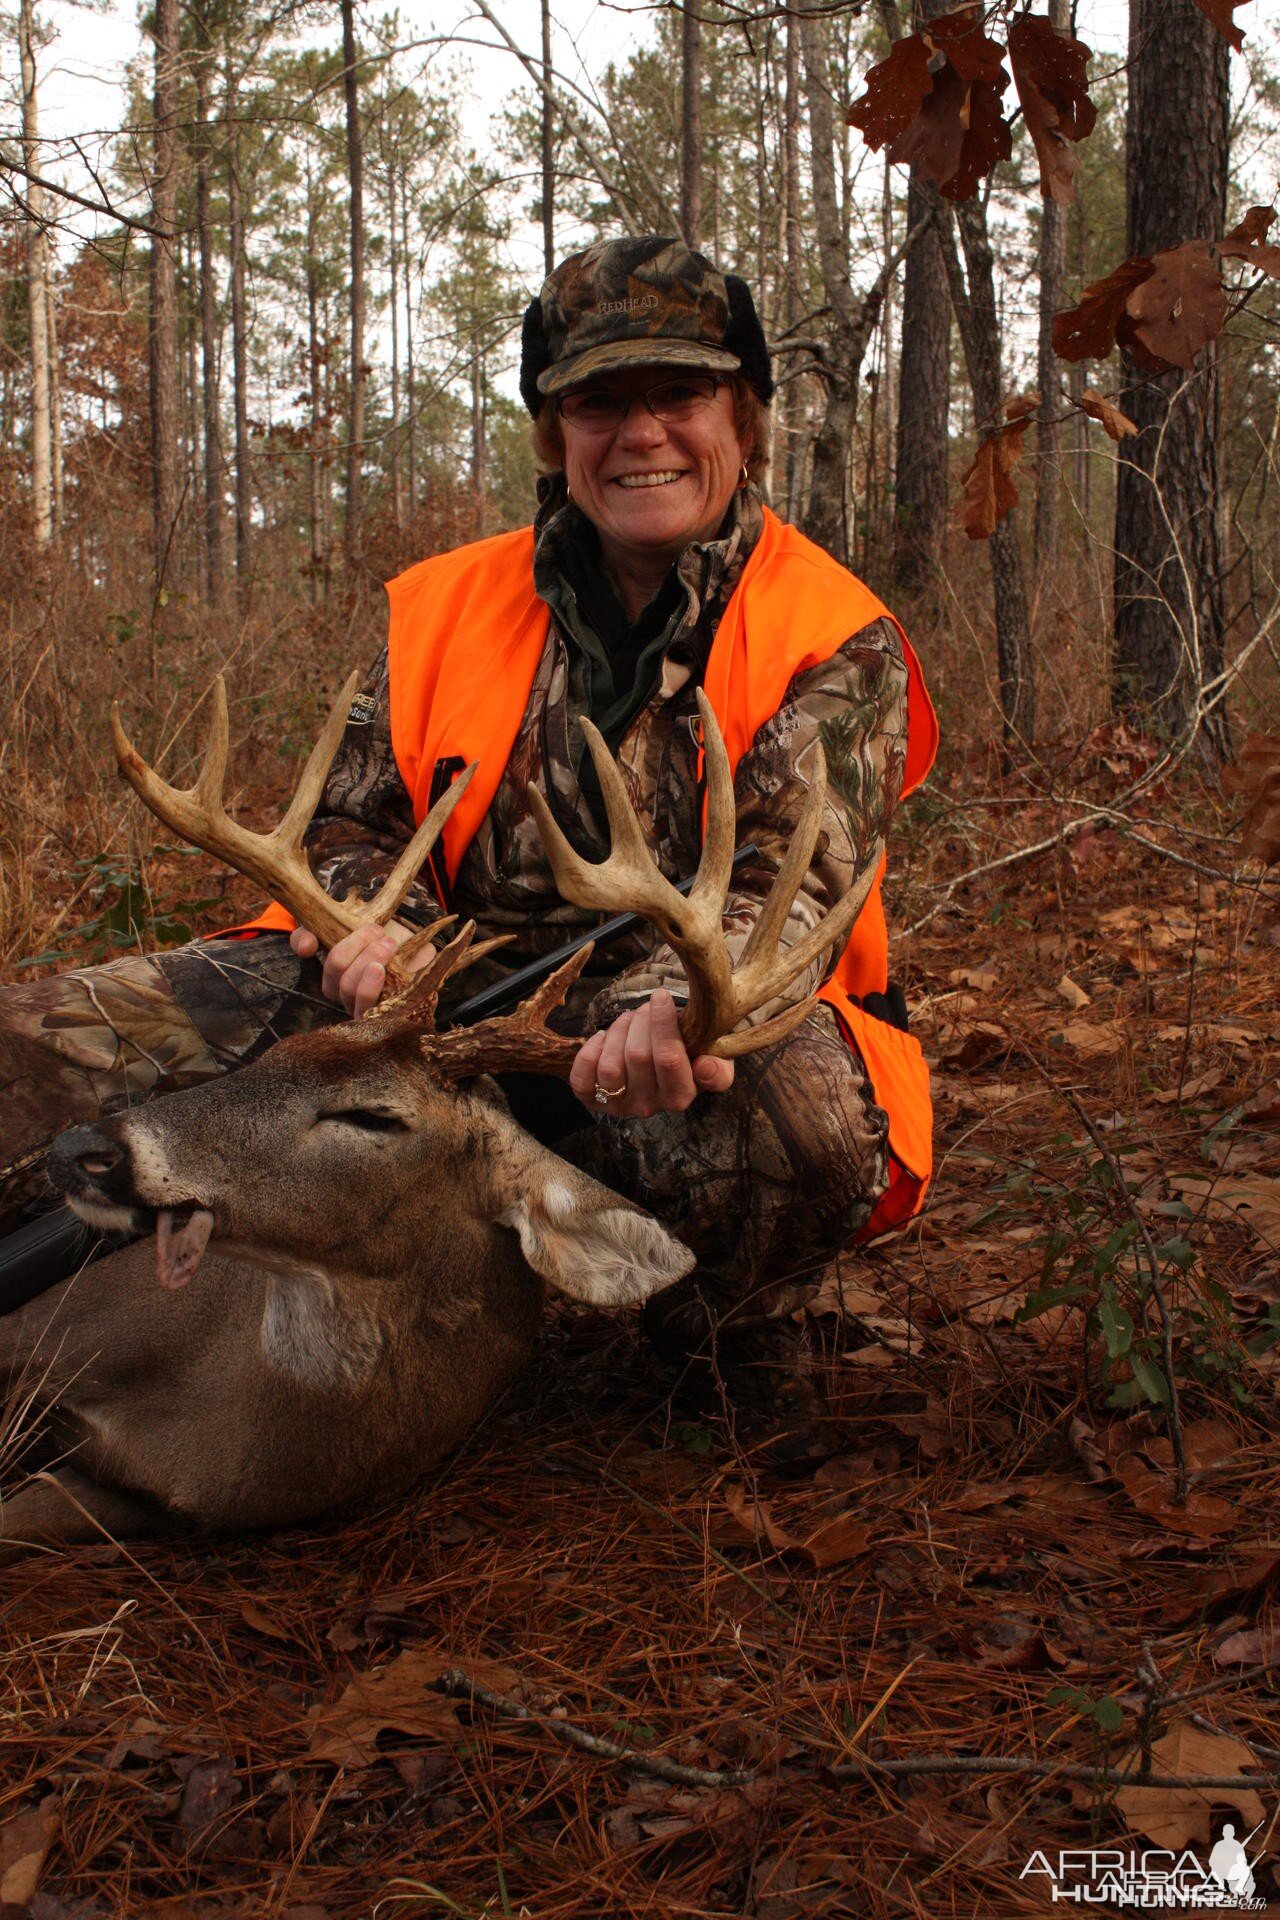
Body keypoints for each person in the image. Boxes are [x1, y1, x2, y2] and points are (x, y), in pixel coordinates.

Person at [0, 236, 936, 1385]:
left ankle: (708, 1327)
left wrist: (657, 1009)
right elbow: (351, 822)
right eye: (598, 402)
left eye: (678, 395)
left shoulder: (834, 635)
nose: (639, 433)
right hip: (419, 1002)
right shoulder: (441, 607)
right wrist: (361, 925)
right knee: (33, 1039)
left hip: (639, 1047)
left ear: (740, 419)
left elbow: (791, 898)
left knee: (803, 1117)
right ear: (556, 434)